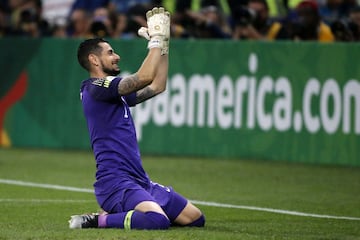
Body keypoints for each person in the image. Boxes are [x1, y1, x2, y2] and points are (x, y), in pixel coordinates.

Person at [69, 7, 205, 230]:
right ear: (94, 59)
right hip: (115, 182)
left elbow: (157, 85)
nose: (117, 56)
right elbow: (144, 77)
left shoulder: (112, 93)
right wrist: (155, 41)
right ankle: (97, 220)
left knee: (195, 219)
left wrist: (163, 47)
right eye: (110, 53)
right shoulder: (95, 88)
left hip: (139, 179)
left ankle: (124, 210)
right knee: (157, 221)